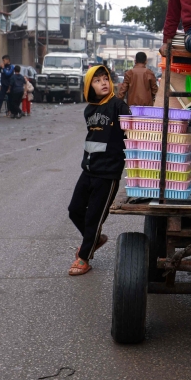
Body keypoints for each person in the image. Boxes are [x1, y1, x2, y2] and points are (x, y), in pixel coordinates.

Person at [67, 64, 130, 276]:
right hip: (88, 169)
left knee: (94, 217)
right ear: (89, 86)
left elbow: (130, 130)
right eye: (97, 80)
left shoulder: (118, 106)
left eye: (105, 79)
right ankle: (94, 240)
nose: (103, 83)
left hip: (108, 173)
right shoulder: (89, 110)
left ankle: (84, 257)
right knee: (75, 210)